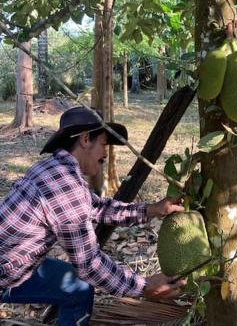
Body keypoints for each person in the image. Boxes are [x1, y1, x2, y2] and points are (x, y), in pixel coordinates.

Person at [0, 106, 186, 325]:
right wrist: (143, 287)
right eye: (104, 144)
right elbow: (89, 264)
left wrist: (151, 210)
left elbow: (97, 208)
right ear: (86, 139)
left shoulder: (52, 169)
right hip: (7, 271)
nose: (105, 154)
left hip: (16, 262)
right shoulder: (64, 186)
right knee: (81, 285)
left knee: (79, 288)